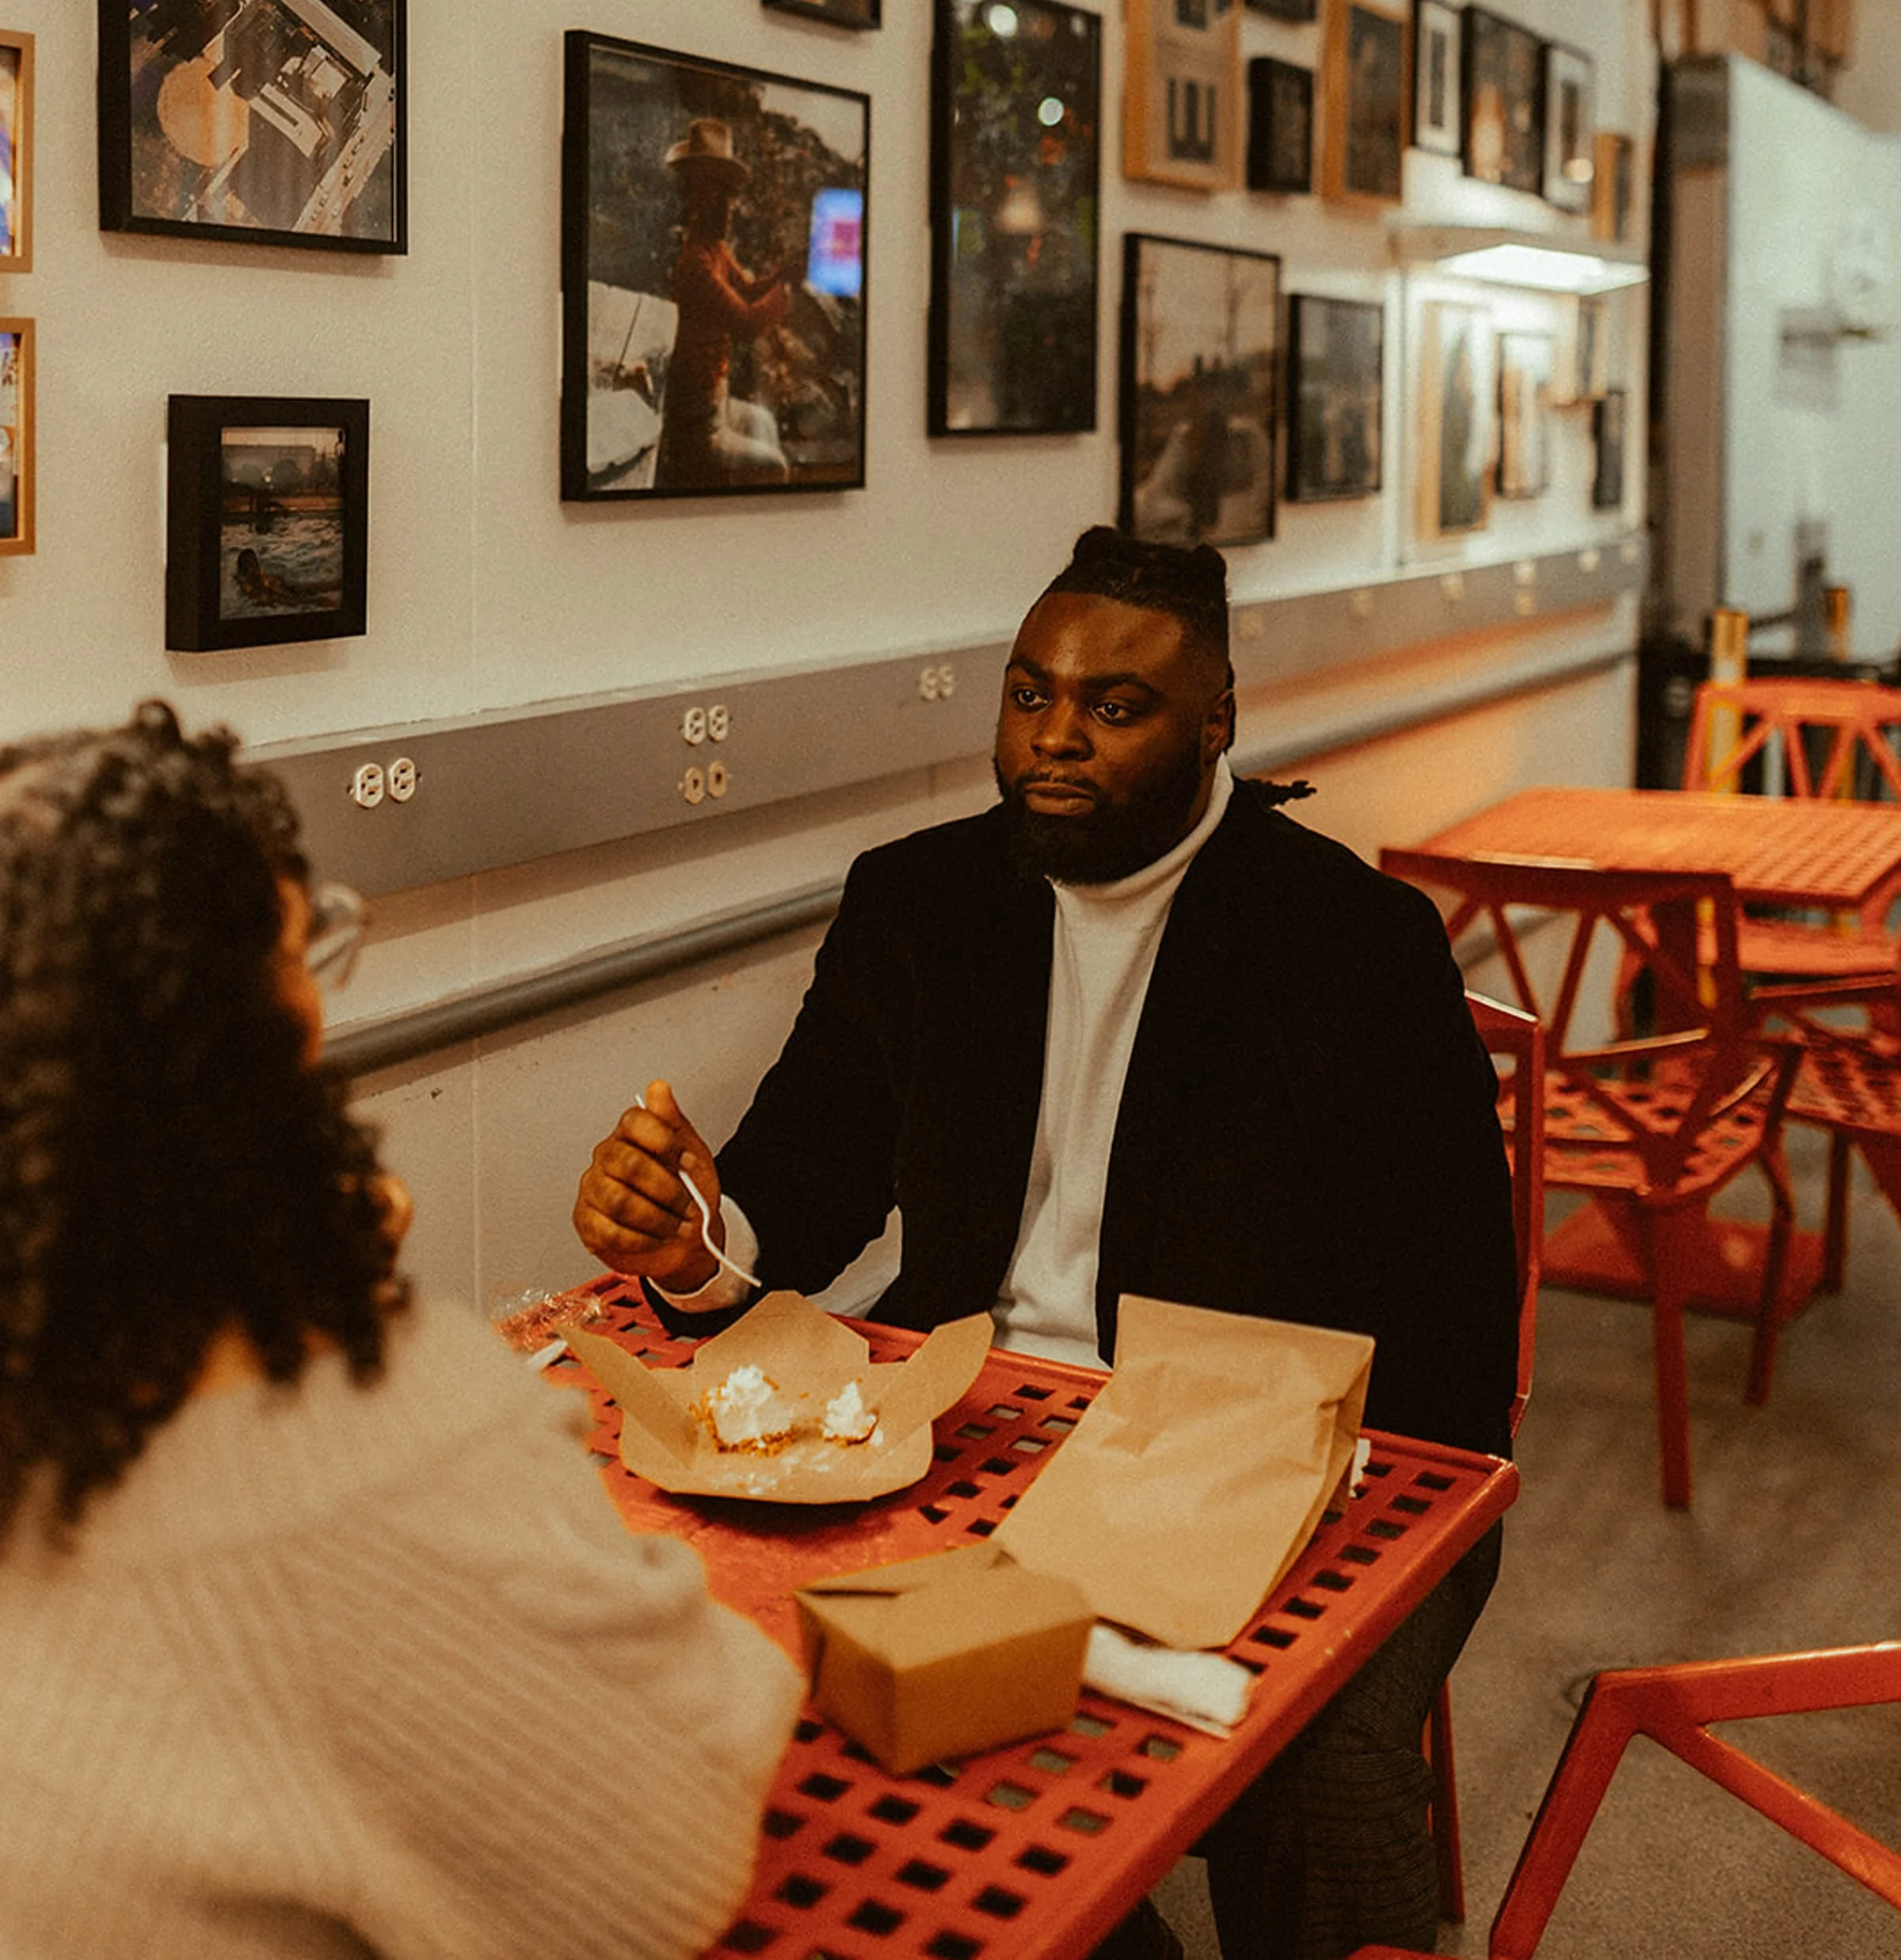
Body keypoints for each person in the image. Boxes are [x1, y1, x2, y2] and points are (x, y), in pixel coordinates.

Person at [574, 528, 1518, 1960]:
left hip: (1278, 1453)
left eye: (1115, 706)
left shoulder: (1354, 944)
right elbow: (787, 1212)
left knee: (1320, 1772)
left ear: (1218, 725)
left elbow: (1450, 1334)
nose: (1053, 738)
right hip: (974, 1430)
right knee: (726, 1666)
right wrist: (685, 1234)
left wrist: (1316, 1519)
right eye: (1028, 694)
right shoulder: (921, 902)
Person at [0, 701, 800, 1960]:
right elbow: (664, 1861)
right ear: (264, 1041)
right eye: (308, 952)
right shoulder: (351, 1422)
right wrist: (370, 1335)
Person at [653, 117, 792, 490]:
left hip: (717, 401)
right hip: (698, 425)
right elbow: (746, 322)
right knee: (774, 467)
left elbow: (747, 290)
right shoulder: (696, 263)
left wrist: (783, 275)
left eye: (730, 194)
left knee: (763, 422)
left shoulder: (714, 250)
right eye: (722, 193)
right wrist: (784, 294)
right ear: (699, 196)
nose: (731, 206)